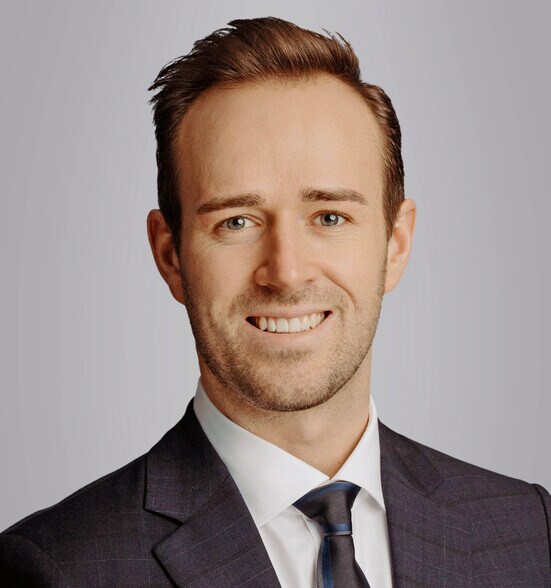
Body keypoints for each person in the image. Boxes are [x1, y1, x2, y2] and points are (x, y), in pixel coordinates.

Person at [1, 16, 549, 587]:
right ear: (170, 256)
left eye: (330, 217)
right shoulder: (56, 568)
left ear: (396, 243)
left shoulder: (529, 531)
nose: (286, 273)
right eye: (236, 221)